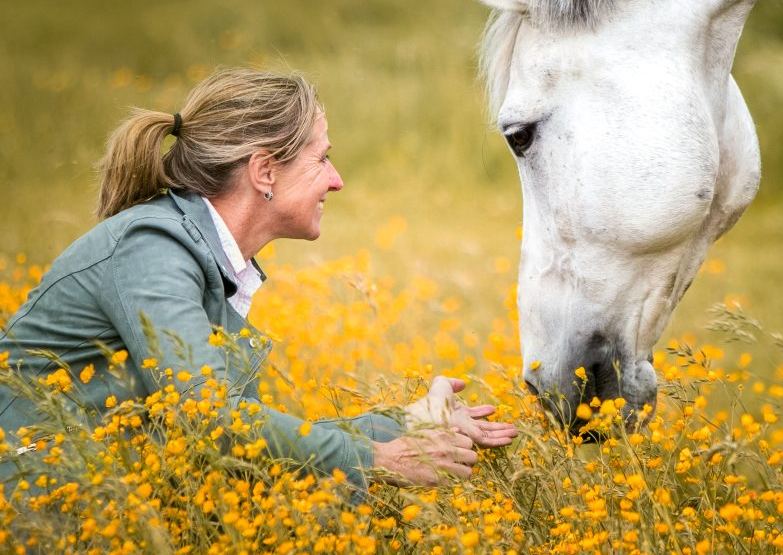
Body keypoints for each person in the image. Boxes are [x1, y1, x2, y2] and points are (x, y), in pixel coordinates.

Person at [0, 68, 516, 491]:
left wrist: (407, 425)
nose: (336, 180)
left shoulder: (199, 256)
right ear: (264, 171)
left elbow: (243, 440)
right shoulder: (152, 248)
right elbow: (213, 423)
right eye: (322, 158)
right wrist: (382, 459)